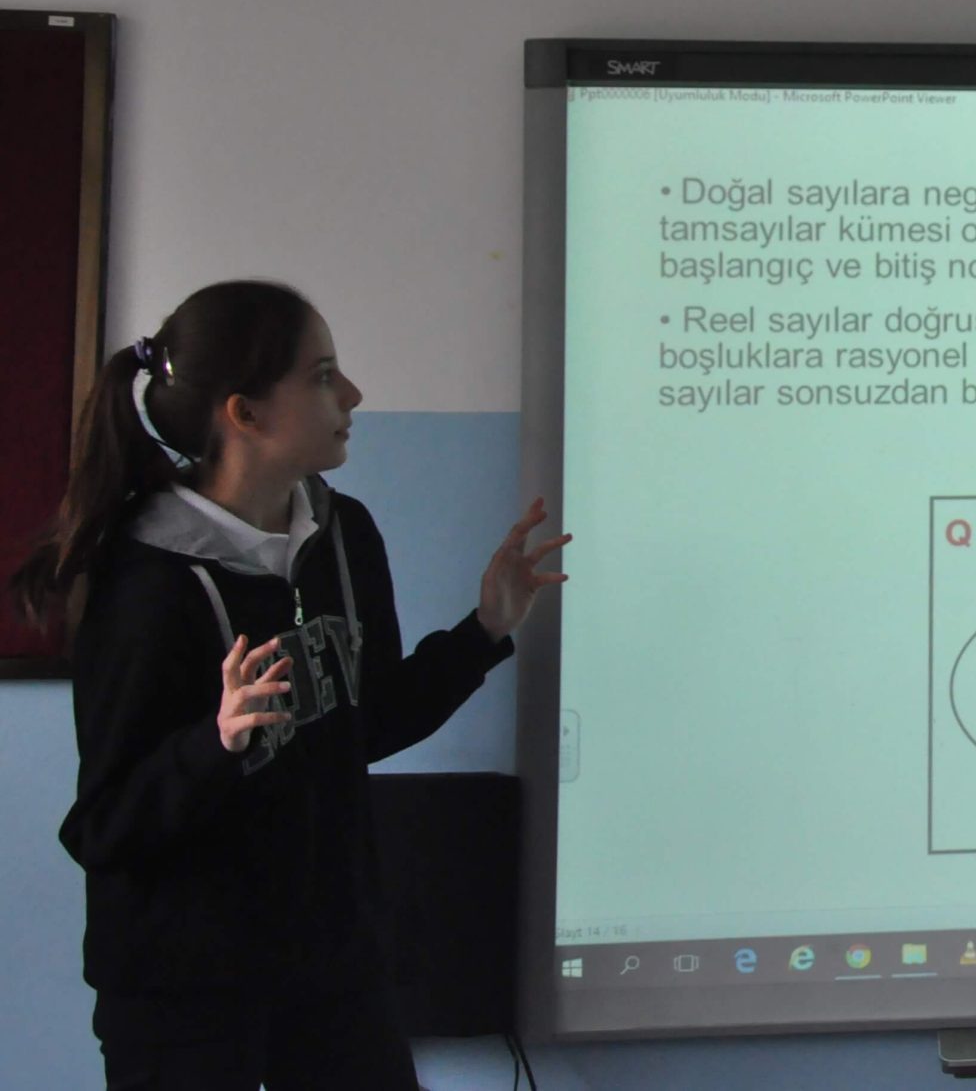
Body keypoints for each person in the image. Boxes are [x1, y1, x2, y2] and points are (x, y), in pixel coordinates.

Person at [8, 280, 568, 1089]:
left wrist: (483, 631)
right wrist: (218, 744)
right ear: (246, 414)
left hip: (333, 969)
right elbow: (104, 827)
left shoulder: (345, 535)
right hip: (182, 994)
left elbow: (367, 723)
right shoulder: (143, 581)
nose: (354, 395)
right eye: (323, 376)